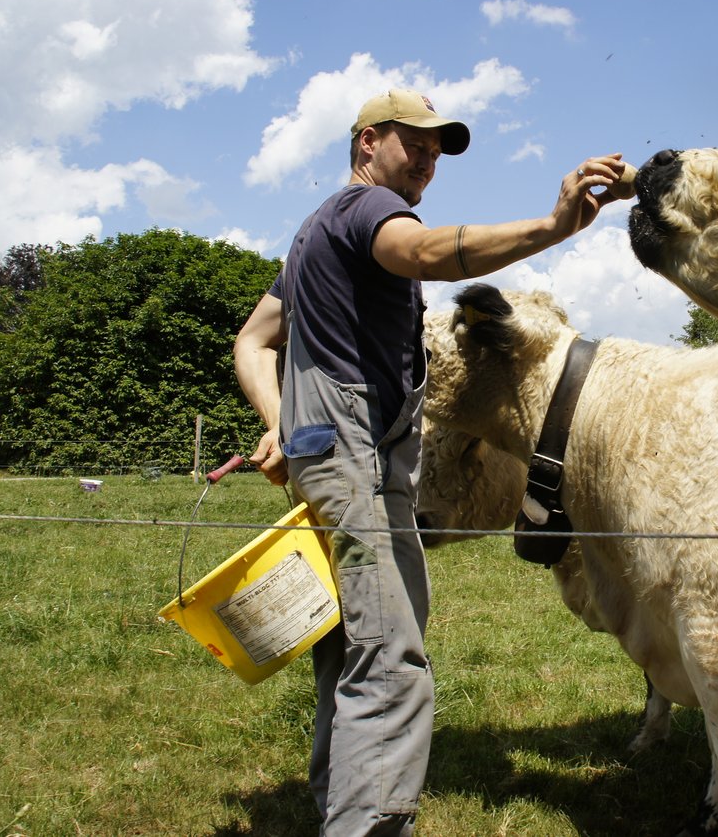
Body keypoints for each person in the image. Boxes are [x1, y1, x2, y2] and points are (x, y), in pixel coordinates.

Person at [232, 88, 626, 836]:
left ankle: (335, 803)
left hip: (329, 453)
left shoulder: (314, 235)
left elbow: (251, 342)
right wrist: (552, 225)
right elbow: (423, 253)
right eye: (413, 143)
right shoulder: (367, 214)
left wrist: (282, 422)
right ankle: (367, 825)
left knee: (350, 640)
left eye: (436, 151)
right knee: (391, 654)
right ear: (366, 142)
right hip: (356, 457)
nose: (427, 159)